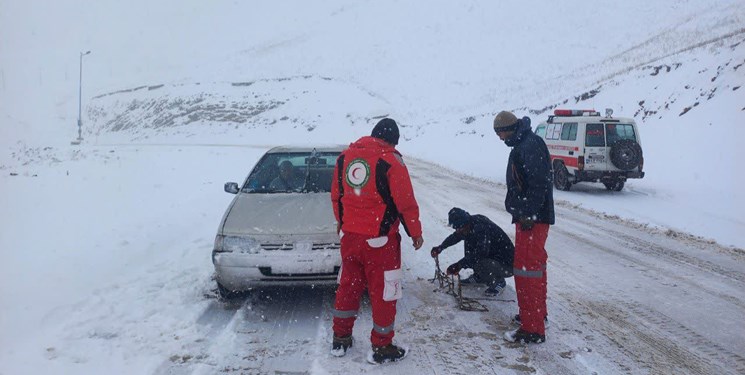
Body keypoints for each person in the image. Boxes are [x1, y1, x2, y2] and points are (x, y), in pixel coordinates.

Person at [329, 118, 424, 364]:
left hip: (350, 238)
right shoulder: (391, 160)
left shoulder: (344, 158)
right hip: (379, 242)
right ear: (392, 140)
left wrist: (342, 221)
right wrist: (415, 233)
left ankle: (340, 338)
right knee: (384, 293)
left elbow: (337, 196)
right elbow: (405, 203)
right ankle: (382, 346)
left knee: (348, 286)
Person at [492, 110, 554, 344]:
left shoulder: (529, 145)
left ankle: (533, 329)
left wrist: (529, 213)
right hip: (529, 216)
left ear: (508, 129)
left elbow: (539, 183)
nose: (500, 138)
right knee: (533, 268)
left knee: (527, 271)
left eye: (500, 133)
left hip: (532, 219)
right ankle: (536, 315)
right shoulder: (525, 143)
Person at [431, 207, 514, 297]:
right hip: (494, 257)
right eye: (456, 228)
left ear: (465, 223)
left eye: (459, 228)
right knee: (470, 246)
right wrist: (440, 247)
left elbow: (481, 253)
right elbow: (455, 237)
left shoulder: (481, 228)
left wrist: (459, 265)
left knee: (480, 260)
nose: (457, 230)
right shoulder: (469, 225)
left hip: (508, 265)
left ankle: (499, 282)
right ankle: (480, 277)